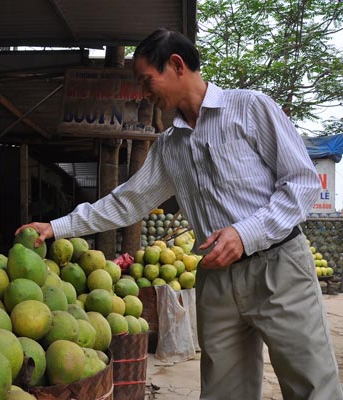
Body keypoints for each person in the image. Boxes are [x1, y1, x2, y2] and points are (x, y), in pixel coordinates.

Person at [18, 28, 343, 399]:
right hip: (217, 278)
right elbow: (127, 201)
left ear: (176, 65)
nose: (144, 93)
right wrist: (57, 227)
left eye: (146, 80)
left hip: (280, 267)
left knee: (312, 385)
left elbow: (301, 183)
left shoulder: (251, 108)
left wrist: (244, 233)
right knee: (223, 391)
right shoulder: (169, 147)